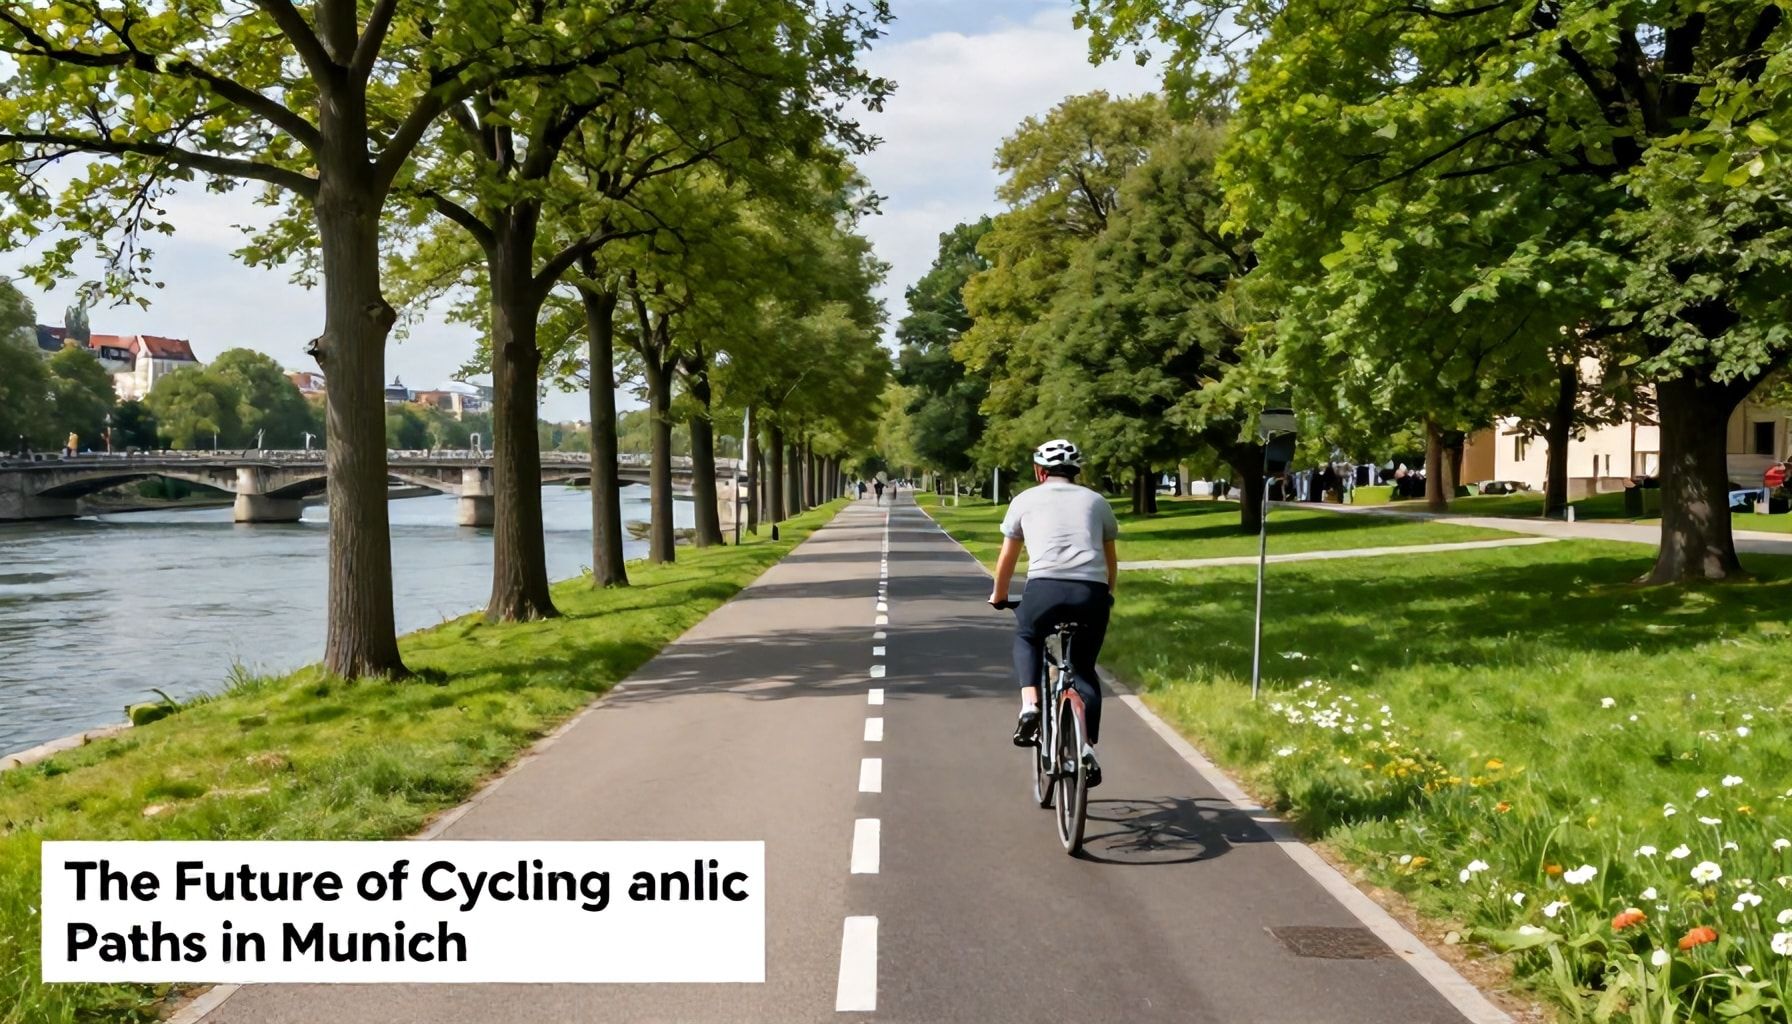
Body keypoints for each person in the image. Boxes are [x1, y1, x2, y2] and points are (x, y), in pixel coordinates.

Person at [988, 439, 1118, 787]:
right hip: (1090, 592)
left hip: (1043, 590)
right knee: (1084, 669)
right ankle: (1087, 749)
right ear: (1077, 472)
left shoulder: (1024, 500)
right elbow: (1110, 561)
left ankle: (1030, 705)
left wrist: (999, 595)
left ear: (1039, 471)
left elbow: (1007, 559)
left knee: (1027, 635)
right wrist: (1107, 595)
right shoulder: (1097, 502)